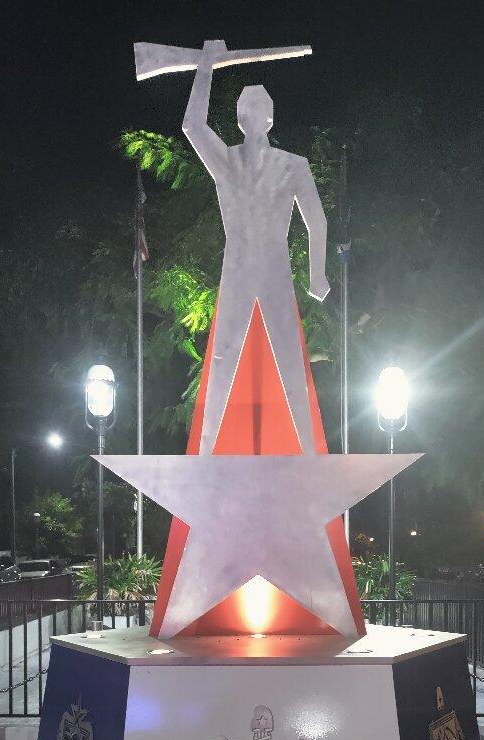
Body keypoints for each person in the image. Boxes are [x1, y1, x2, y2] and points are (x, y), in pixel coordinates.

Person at [182, 39, 330, 455]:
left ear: (261, 120)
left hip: (271, 265)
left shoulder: (290, 165)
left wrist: (318, 273)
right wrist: (206, 66)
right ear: (256, 119)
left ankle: (308, 457)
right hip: (241, 266)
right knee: (224, 358)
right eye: (252, 112)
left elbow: (316, 219)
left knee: (286, 362)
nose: (255, 117)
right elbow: (192, 127)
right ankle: (207, 457)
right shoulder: (229, 162)